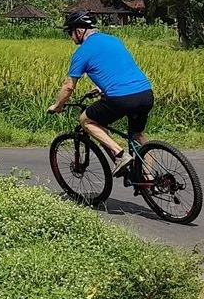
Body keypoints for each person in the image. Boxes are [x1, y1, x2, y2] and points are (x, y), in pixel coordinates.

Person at [47, 11, 154, 176]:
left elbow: (68, 86)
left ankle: (120, 155)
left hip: (121, 98)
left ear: (80, 30)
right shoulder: (114, 40)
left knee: (86, 120)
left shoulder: (82, 52)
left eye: (70, 32)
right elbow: (119, 68)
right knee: (137, 134)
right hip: (145, 94)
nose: (71, 37)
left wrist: (57, 105)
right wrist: (102, 88)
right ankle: (150, 178)